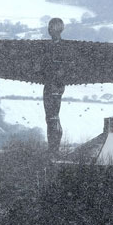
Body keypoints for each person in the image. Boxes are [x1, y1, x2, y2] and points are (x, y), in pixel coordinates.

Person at [43, 18, 66, 153]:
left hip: (55, 85)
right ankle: (52, 148)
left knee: (52, 117)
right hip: (50, 84)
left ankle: (54, 149)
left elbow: (60, 68)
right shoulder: (50, 46)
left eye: (51, 27)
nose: (49, 30)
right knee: (50, 117)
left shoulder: (61, 47)